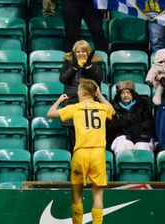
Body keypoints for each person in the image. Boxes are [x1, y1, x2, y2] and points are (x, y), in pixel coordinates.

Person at [47, 78, 114, 224]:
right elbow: (112, 111)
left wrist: (59, 100)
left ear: (83, 93)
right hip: (98, 153)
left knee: (76, 194)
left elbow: (50, 113)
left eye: (78, 91)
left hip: (81, 153)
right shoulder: (102, 108)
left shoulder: (76, 107)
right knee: (98, 194)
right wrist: (100, 95)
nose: (77, 93)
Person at [107, 80, 155, 153]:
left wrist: (140, 127)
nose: (126, 95)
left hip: (141, 136)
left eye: (128, 92)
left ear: (132, 94)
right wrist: (119, 123)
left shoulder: (143, 104)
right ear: (119, 95)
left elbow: (150, 122)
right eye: (123, 93)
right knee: (124, 145)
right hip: (121, 137)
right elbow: (109, 127)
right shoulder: (112, 106)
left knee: (141, 146)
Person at [60, 40, 104, 106]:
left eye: (83, 51)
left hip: (92, 99)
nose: (80, 54)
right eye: (78, 52)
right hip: (71, 99)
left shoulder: (95, 62)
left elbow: (99, 78)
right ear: (74, 53)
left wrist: (88, 67)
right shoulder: (69, 62)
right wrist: (74, 68)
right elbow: (63, 79)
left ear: (88, 52)